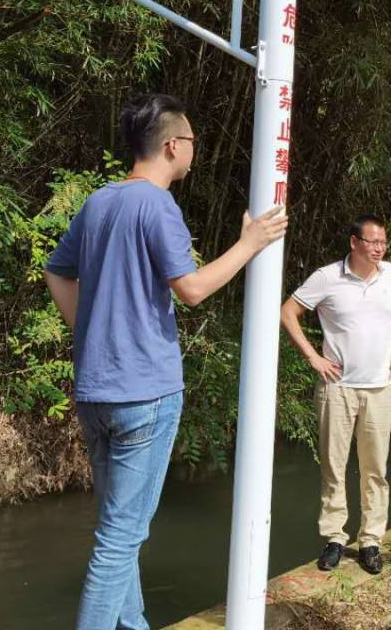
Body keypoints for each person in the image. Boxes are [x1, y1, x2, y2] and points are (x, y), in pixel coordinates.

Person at [43, 93, 287, 630]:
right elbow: (192, 289)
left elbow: (57, 272)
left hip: (96, 391)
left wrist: (90, 330)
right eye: (193, 141)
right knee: (120, 538)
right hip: (145, 393)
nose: (195, 151)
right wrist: (250, 244)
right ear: (174, 145)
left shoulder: (99, 202)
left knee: (117, 528)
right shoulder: (156, 205)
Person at [280, 214, 391, 575]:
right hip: (337, 389)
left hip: (379, 388)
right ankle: (334, 538)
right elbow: (288, 312)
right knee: (334, 466)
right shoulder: (327, 277)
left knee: (375, 469)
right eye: (373, 242)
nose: (379, 248)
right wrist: (313, 357)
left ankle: (371, 540)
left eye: (383, 242)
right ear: (354, 242)